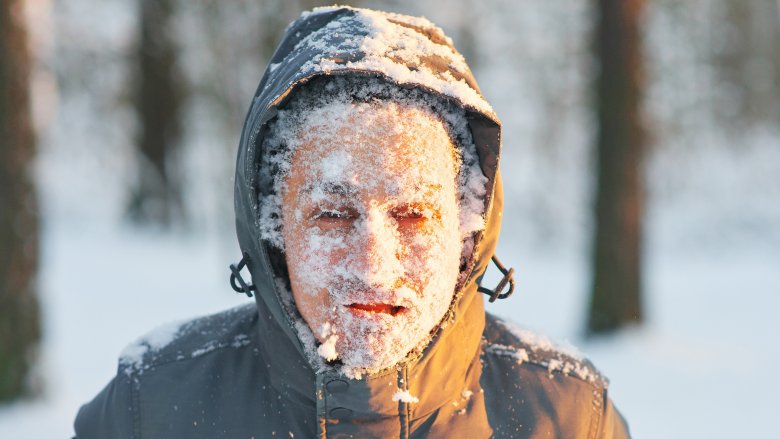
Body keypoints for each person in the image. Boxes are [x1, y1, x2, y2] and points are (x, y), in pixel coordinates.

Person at [74, 6, 630, 438]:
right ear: (273, 228)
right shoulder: (150, 410)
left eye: (413, 215)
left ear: (467, 231)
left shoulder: (568, 418)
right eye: (333, 214)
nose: (374, 263)